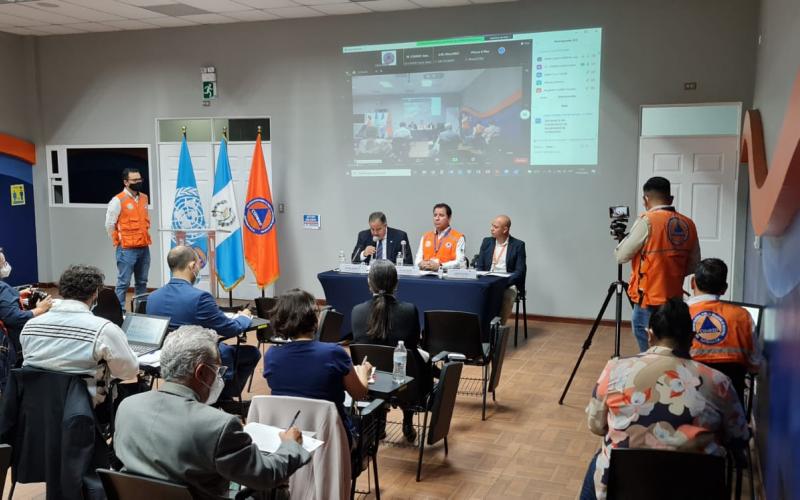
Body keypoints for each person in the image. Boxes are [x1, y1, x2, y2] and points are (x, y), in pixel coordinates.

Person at [115, 325, 310, 500]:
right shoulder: (219, 425)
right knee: (276, 488)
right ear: (201, 373)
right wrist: (290, 446)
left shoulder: (127, 407)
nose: (219, 377)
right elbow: (267, 475)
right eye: (218, 370)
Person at [581, 298, 749, 500]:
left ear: (649, 335)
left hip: (625, 487)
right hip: (695, 490)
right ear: (692, 338)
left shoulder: (615, 369)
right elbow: (739, 438)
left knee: (599, 461)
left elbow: (596, 426)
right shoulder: (719, 381)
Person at [147, 246, 259, 400]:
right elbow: (230, 329)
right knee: (251, 353)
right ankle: (222, 398)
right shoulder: (200, 298)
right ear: (192, 266)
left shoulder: (153, 297)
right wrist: (245, 317)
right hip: (197, 359)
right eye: (198, 265)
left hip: (166, 359)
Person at [19, 264, 138, 407]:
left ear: (61, 290)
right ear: (95, 293)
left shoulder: (30, 326)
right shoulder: (104, 330)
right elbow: (129, 372)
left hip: (36, 408)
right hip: (85, 410)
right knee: (137, 388)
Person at [264, 289, 372, 444]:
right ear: (315, 319)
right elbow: (359, 394)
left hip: (290, 438)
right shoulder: (334, 353)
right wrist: (363, 373)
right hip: (333, 439)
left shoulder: (271, 356)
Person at [614, 176, 700, 352]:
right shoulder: (688, 224)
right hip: (674, 299)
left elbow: (621, 256)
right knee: (671, 344)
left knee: (650, 348)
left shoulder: (647, 221)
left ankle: (653, 375)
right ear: (670, 199)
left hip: (649, 299)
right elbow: (693, 265)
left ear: (646, 199)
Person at [351, 261, 430, 441]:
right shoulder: (409, 310)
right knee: (418, 359)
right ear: (397, 283)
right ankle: (408, 421)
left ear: (368, 283)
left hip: (371, 380)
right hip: (406, 381)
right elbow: (413, 343)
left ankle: (379, 424)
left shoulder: (357, 311)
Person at [688, 258, 759, 403]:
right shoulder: (743, 316)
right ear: (724, 289)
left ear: (692, 283)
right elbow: (755, 364)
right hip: (731, 404)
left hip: (689, 401)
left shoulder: (678, 314)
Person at [0, 248, 52, 389]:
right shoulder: (2, 289)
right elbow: (15, 318)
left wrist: (15, 295)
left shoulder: (4, 290)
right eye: (3, 264)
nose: (6, 266)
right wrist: (40, 309)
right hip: (9, 347)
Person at [105, 168, 151, 311]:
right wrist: (117, 241)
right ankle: (120, 312)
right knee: (123, 283)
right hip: (126, 249)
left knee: (142, 282)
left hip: (143, 247)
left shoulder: (144, 198)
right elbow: (109, 224)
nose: (138, 182)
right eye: (134, 180)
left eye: (139, 179)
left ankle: (141, 311)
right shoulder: (117, 200)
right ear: (126, 182)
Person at [474, 215, 527, 322]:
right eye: (491, 226)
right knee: (473, 292)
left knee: (508, 295)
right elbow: (480, 266)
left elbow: (519, 272)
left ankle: (499, 328)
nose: (491, 229)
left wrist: (503, 282)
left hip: (507, 283)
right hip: (487, 281)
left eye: (495, 227)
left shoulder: (518, 245)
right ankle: (480, 326)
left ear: (505, 229)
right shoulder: (487, 242)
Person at [415, 203, 466, 271]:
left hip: (445, 276)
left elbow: (460, 262)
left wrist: (440, 266)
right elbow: (417, 260)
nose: (437, 218)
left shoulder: (458, 237)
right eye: (435, 215)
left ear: (449, 218)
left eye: (441, 215)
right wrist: (420, 264)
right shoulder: (425, 236)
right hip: (425, 275)